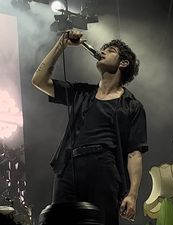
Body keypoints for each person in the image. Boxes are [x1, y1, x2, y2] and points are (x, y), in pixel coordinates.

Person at [32, 29, 148, 225]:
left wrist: (133, 195)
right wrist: (62, 44)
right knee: (60, 221)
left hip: (104, 169)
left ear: (123, 63)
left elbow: (134, 154)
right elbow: (39, 80)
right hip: (69, 165)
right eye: (102, 49)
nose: (102, 52)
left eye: (110, 50)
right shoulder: (81, 93)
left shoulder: (132, 106)